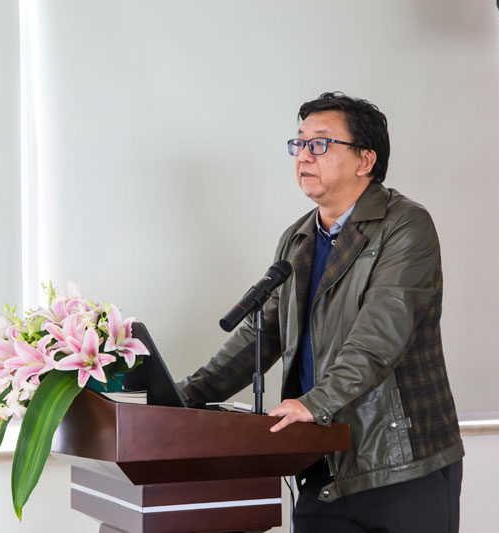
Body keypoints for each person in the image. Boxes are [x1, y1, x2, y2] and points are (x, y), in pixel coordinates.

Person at [178, 92, 464, 532]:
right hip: (321, 463)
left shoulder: (405, 225)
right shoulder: (298, 239)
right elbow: (262, 334)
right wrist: (185, 395)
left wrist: (314, 403)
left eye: (320, 143)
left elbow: (379, 337)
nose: (303, 156)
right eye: (299, 143)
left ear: (365, 160)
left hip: (401, 464)